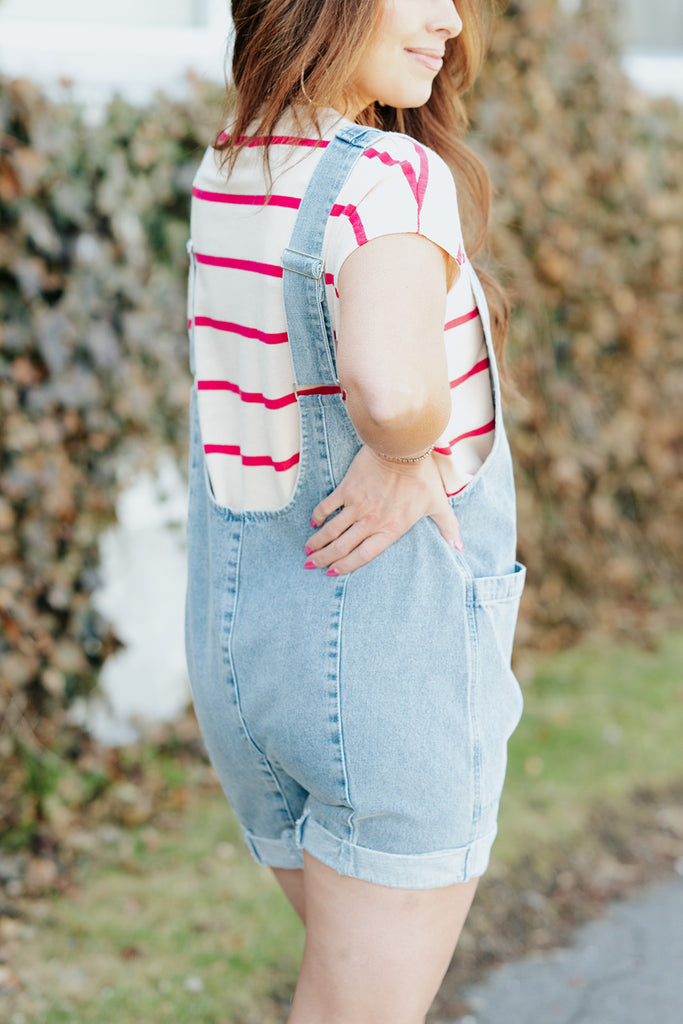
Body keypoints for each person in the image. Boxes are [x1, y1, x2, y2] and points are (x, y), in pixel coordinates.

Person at [184, 1, 526, 1020]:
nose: (449, 20)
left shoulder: (232, 164)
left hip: (244, 657)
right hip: (383, 670)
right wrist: (404, 452)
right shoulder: (386, 175)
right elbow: (390, 391)